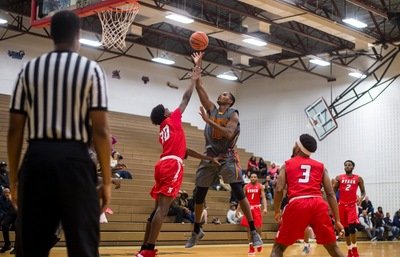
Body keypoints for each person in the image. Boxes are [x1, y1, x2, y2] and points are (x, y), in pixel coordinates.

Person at [7, 11, 111, 257]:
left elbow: (14, 130)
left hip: (37, 160)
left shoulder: (28, 70)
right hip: (75, 162)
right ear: (78, 35)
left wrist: (14, 181)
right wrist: (106, 180)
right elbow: (101, 130)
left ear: (51, 34)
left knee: (30, 248)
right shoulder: (91, 69)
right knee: (83, 248)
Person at [134, 53, 203, 257]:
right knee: (163, 210)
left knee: (157, 210)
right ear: (165, 114)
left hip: (162, 163)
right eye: (165, 108)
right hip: (173, 164)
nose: (168, 108)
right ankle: (147, 250)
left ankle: (145, 246)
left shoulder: (163, 130)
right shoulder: (172, 119)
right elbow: (186, 97)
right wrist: (194, 74)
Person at [185, 70, 263, 249]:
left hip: (228, 156)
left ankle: (253, 231)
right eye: (221, 93)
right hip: (210, 155)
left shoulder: (233, 114)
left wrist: (207, 121)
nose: (222, 94)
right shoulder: (211, 109)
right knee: (199, 195)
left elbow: (228, 132)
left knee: (237, 190)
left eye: (226, 94)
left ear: (231, 101)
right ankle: (197, 230)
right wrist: (197, 71)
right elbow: (200, 88)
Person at [270, 134, 345, 257]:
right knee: (333, 248)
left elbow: (279, 189)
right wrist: (337, 220)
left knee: (278, 248)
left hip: (297, 203)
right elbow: (331, 194)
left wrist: (277, 211)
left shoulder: (287, 164)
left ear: (298, 148)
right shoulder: (321, 166)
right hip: (318, 204)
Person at [334, 160, 366, 257]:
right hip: (341, 206)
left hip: (352, 205)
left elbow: (363, 192)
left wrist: (361, 198)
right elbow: (333, 191)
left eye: (349, 165)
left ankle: (355, 249)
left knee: (352, 227)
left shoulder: (358, 178)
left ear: (353, 167)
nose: (347, 166)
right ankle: (349, 250)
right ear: (344, 167)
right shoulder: (339, 178)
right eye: (346, 165)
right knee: (346, 230)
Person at [239, 172, 267, 255]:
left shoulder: (260, 186)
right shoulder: (246, 186)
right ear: (249, 178)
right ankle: (251, 247)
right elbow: (242, 199)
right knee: (248, 228)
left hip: (257, 208)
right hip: (248, 208)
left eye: (255, 177)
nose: (253, 178)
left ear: (257, 178)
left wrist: (265, 208)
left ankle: (259, 240)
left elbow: (264, 198)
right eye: (252, 177)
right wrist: (238, 209)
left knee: (258, 227)